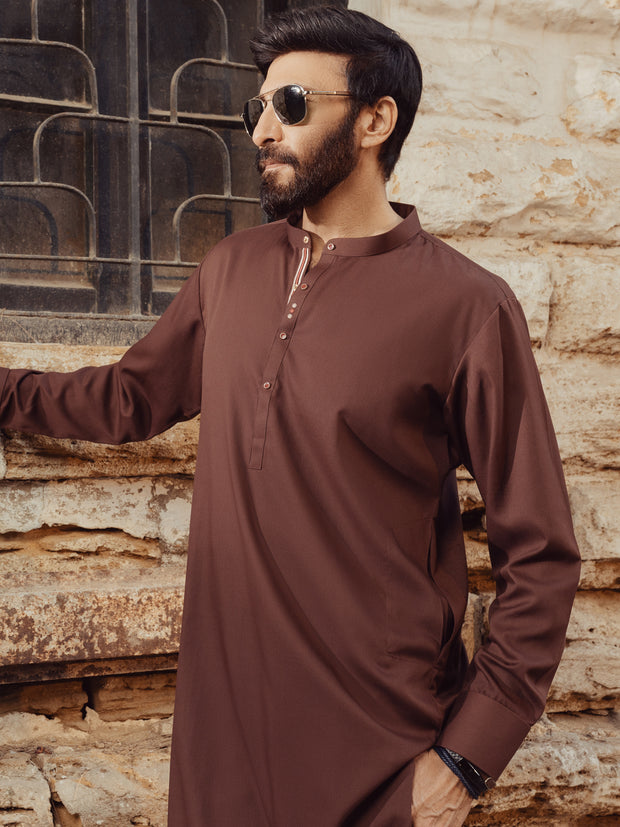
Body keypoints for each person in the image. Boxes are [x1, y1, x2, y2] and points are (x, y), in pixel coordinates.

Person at [0, 6, 580, 826]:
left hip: (381, 758)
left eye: (294, 105)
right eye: (259, 107)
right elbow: (128, 397)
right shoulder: (231, 269)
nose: (264, 129)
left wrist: (465, 759)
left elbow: (544, 556)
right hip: (223, 744)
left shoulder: (469, 308)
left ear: (376, 120)